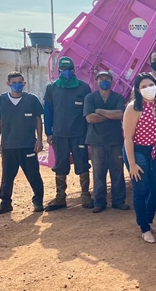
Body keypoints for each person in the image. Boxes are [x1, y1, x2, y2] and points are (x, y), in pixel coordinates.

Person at [123, 73, 156, 243]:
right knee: (140, 190)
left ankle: (149, 219)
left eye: (150, 84)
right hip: (138, 151)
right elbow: (128, 138)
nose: (148, 89)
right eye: (143, 86)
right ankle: (144, 228)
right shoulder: (133, 107)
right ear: (138, 90)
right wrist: (132, 164)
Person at [43, 56, 94, 211]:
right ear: (58, 71)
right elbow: (48, 112)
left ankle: (85, 196)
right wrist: (48, 133)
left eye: (69, 69)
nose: (66, 72)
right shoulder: (51, 88)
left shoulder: (83, 88)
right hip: (59, 134)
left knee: (83, 163)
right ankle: (60, 198)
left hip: (79, 133)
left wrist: (88, 134)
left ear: (74, 70)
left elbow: (88, 112)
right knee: (60, 165)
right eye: (63, 70)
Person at [0, 72, 45, 214]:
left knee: (34, 175)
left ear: (24, 83)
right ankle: (5, 203)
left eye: (20, 82)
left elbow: (38, 120)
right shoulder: (1, 100)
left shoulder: (31, 100)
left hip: (28, 145)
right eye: (14, 82)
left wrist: (39, 140)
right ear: (8, 83)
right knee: (7, 176)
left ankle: (38, 201)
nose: (17, 85)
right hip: (9, 146)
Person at [84, 70, 128, 213]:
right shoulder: (90, 97)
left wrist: (100, 111)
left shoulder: (118, 97)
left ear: (112, 81)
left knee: (117, 172)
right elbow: (90, 118)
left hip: (115, 141)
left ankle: (119, 201)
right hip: (96, 141)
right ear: (96, 81)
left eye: (107, 78)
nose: (104, 81)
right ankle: (99, 202)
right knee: (98, 172)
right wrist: (110, 114)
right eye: (101, 78)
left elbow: (120, 115)